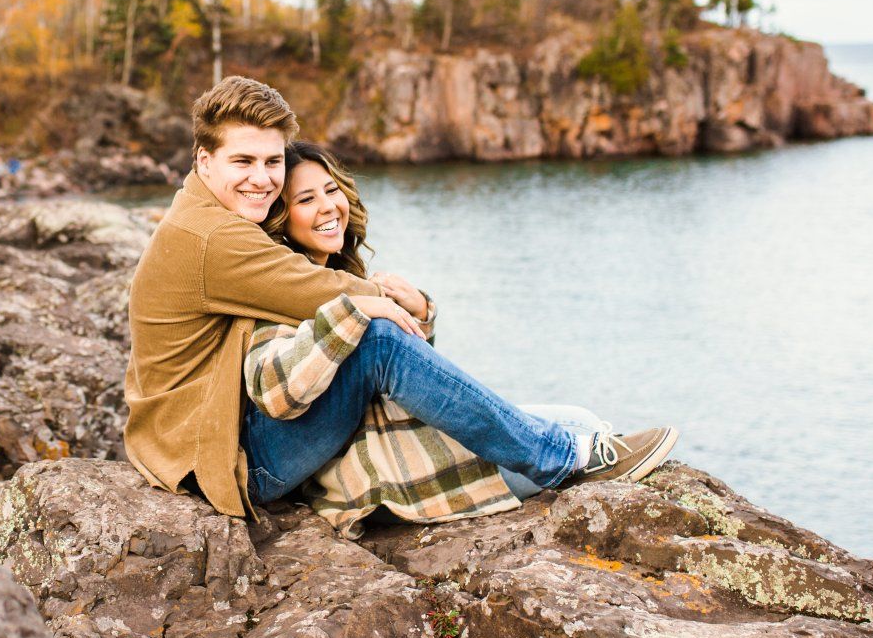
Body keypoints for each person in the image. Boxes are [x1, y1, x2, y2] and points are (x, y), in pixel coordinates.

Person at [124, 75, 675, 519]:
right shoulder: (211, 237)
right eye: (243, 162)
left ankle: (564, 447)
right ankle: (558, 460)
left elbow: (320, 290)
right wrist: (388, 302)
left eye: (272, 162)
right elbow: (319, 293)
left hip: (210, 438)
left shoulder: (204, 218)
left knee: (572, 415)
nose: (262, 179)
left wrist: (409, 307)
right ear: (203, 160)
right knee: (379, 339)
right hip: (225, 458)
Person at [246, 141, 670, 535]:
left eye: (330, 190)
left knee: (584, 422)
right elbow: (275, 390)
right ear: (281, 220)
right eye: (306, 199)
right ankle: (558, 458)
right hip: (284, 462)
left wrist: (420, 317)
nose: (327, 206)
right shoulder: (276, 282)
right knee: (572, 449)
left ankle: (565, 452)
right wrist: (356, 311)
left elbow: (404, 380)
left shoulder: (345, 278)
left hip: (364, 438)